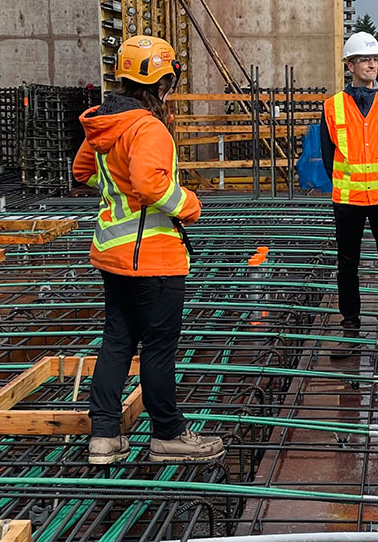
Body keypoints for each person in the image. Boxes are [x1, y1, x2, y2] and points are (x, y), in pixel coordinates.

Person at [74, 35, 223, 465]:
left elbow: (82, 171)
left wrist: (115, 188)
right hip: (154, 259)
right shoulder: (148, 127)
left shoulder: (104, 123)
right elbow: (150, 183)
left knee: (117, 342)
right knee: (158, 348)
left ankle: (104, 436)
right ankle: (168, 434)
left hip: (112, 255)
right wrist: (190, 206)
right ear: (162, 83)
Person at [321, 31, 378, 358]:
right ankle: (351, 326)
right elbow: (329, 155)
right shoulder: (332, 107)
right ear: (351, 65)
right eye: (365, 60)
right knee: (347, 264)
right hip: (348, 201)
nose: (372, 65)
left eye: (374, 59)